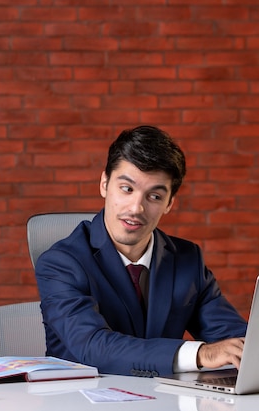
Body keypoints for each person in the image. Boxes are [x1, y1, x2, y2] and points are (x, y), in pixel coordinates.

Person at [34, 125, 247, 377]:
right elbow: (93, 346)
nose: (137, 208)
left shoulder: (187, 260)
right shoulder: (61, 263)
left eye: (154, 196)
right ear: (104, 184)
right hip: (83, 399)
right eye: (127, 189)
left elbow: (233, 338)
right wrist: (201, 354)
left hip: (165, 400)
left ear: (169, 203)